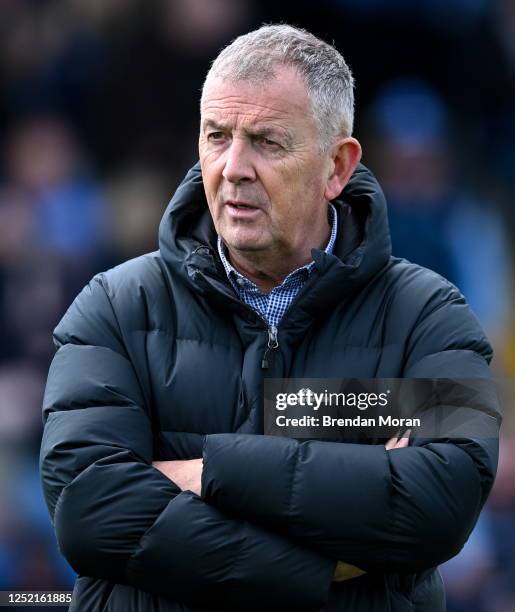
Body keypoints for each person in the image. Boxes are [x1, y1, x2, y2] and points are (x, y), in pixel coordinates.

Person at [40, 24, 500, 611]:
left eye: (267, 142)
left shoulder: (432, 314)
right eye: (217, 136)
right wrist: (319, 568)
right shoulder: (112, 306)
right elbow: (87, 510)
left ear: (337, 166)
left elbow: (443, 502)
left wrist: (208, 472)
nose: (233, 167)